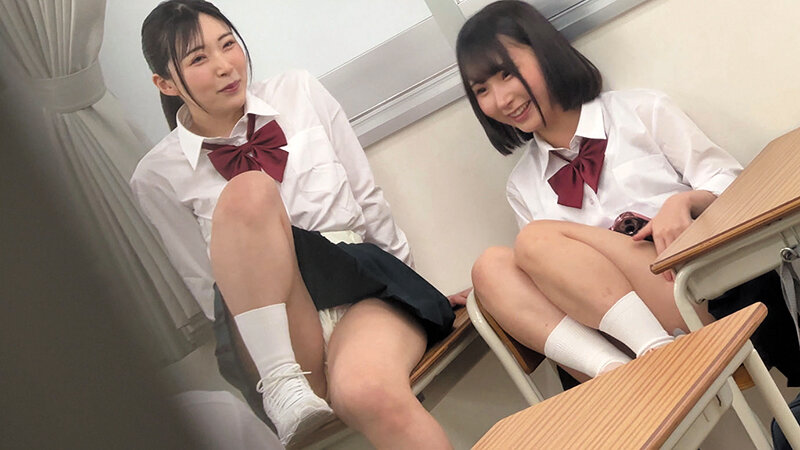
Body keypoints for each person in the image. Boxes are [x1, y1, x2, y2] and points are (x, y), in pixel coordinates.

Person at [131, 1, 457, 447]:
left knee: (368, 392)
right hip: (272, 332)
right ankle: (282, 385)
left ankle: (296, 383)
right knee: (249, 192)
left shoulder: (298, 91)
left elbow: (368, 200)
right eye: (199, 58)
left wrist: (414, 289)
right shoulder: (156, 176)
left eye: (228, 44)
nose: (225, 65)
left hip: (358, 287)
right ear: (165, 83)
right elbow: (207, 286)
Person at [456, 0, 748, 380]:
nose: (501, 99)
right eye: (482, 89)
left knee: (533, 240)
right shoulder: (522, 185)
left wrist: (685, 202)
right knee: (489, 268)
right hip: (615, 343)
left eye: (506, 74)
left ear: (545, 51)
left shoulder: (640, 112)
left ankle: (649, 356)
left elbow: (730, 180)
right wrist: (499, 290)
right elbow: (550, 289)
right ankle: (615, 373)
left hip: (688, 296)